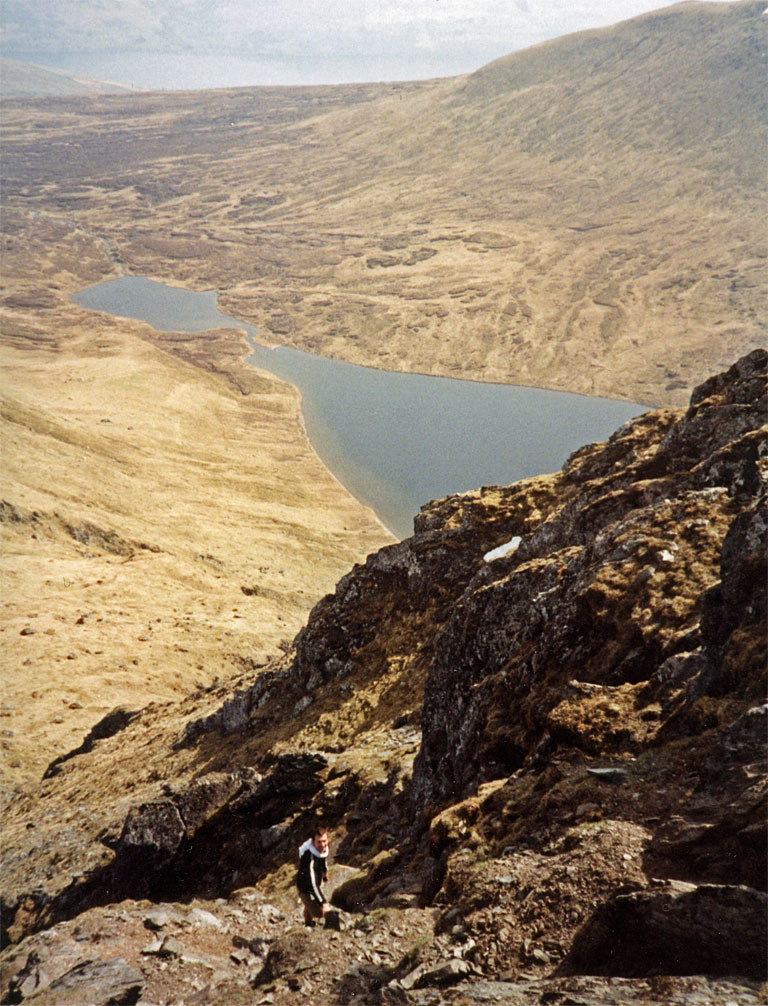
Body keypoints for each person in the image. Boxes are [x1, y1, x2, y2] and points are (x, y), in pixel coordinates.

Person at [296, 825, 330, 927]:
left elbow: (323, 859)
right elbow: (312, 884)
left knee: (313, 902)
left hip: (316, 881)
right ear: (312, 842)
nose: (322, 844)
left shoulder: (323, 849)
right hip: (305, 886)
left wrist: (324, 873)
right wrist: (323, 903)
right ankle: (309, 926)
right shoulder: (308, 858)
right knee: (318, 912)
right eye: (319, 842)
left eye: (324, 841)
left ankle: (308, 923)